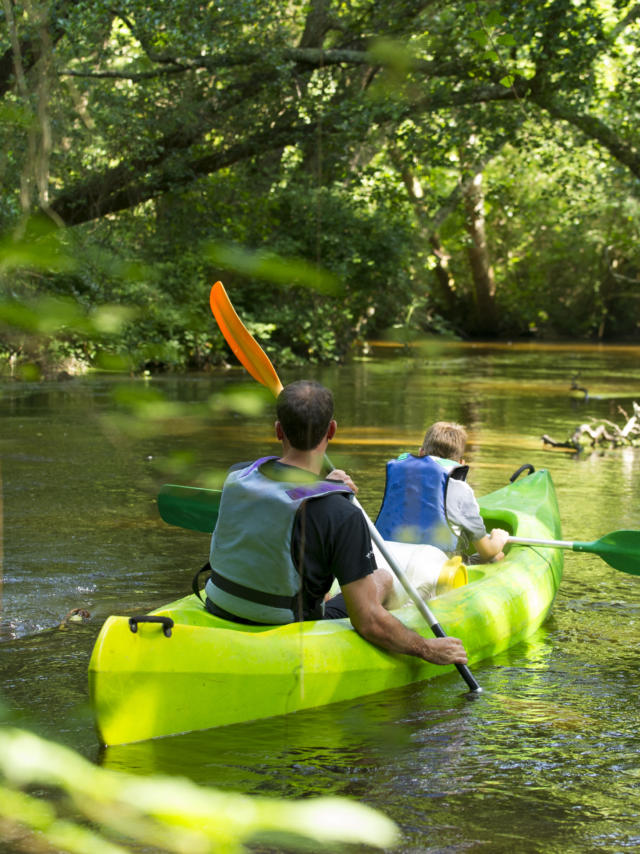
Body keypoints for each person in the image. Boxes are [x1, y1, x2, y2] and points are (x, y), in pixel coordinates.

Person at [204, 380, 466, 667]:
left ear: (279, 430)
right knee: (382, 578)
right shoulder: (341, 513)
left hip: (219, 605)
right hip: (286, 623)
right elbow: (367, 623)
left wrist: (321, 486)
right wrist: (428, 648)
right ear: (332, 431)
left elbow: (280, 494)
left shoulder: (238, 476)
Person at [375, 421, 509, 563]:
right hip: (435, 571)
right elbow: (486, 551)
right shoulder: (461, 489)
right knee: (496, 557)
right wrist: (499, 539)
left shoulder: (398, 477)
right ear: (461, 463)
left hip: (387, 560)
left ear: (421, 453)